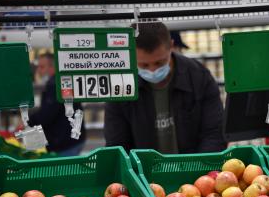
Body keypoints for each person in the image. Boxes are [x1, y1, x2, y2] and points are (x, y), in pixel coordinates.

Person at [104, 22, 226, 153]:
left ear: (171, 47)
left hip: (196, 168)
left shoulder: (199, 77)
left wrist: (201, 170)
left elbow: (215, 133)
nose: (153, 70)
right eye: (144, 65)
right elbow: (116, 144)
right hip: (141, 170)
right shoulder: (121, 85)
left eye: (159, 62)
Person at [29, 53, 86, 156]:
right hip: (72, 139)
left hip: (64, 143)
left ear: (52, 67)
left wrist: (29, 120)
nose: (39, 71)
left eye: (42, 67)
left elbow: (46, 115)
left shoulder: (54, 85)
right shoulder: (63, 81)